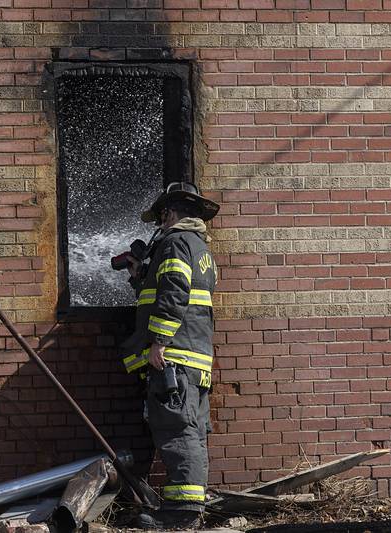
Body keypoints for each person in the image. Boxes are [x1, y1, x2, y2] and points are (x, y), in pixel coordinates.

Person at [119, 181, 219, 530]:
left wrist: (159, 341)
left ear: (170, 213)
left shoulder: (174, 242)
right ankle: (189, 507)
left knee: (177, 430)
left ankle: (181, 514)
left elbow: (175, 292)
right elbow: (168, 291)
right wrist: (139, 278)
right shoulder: (199, 248)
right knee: (191, 430)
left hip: (175, 357)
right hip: (195, 356)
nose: (158, 225)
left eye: (160, 217)